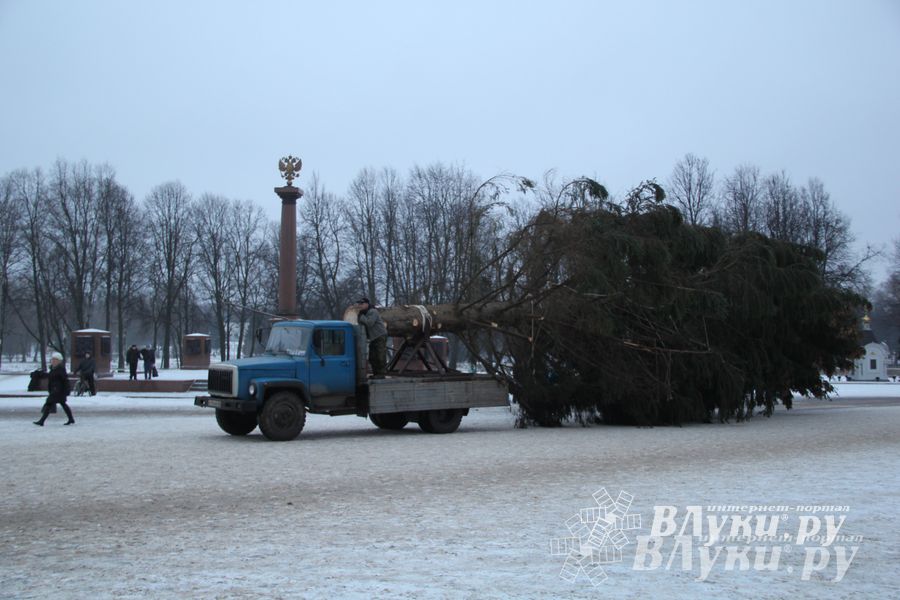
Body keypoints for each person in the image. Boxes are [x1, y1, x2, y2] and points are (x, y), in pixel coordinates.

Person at [34, 352, 75, 426]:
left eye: (55, 360)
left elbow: (65, 380)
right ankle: (71, 419)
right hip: (55, 390)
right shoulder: (53, 369)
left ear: (59, 361)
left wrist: (66, 390)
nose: (53, 361)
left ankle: (42, 421)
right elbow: (50, 376)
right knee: (63, 404)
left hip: (58, 391)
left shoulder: (60, 369)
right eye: (52, 359)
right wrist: (41, 374)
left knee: (49, 403)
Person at [355, 297, 388, 378]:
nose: (360, 305)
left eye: (362, 304)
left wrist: (361, 316)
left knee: (380, 355)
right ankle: (376, 374)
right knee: (372, 357)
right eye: (359, 304)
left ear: (367, 304)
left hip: (380, 336)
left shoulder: (373, 311)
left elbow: (369, 323)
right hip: (373, 337)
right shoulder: (364, 313)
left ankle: (381, 374)